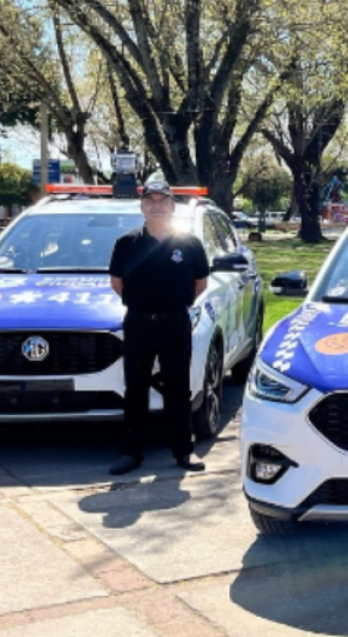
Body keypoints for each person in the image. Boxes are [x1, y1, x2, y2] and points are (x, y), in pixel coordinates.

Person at [107, 181, 211, 476]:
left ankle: (184, 450)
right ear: (142, 206)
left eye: (162, 200)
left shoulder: (189, 243)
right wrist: (143, 305)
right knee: (135, 389)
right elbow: (117, 282)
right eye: (150, 200)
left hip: (175, 323)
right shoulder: (127, 243)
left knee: (178, 388)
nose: (156, 206)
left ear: (172, 206)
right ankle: (131, 452)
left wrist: (175, 304)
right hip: (138, 323)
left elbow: (201, 282)